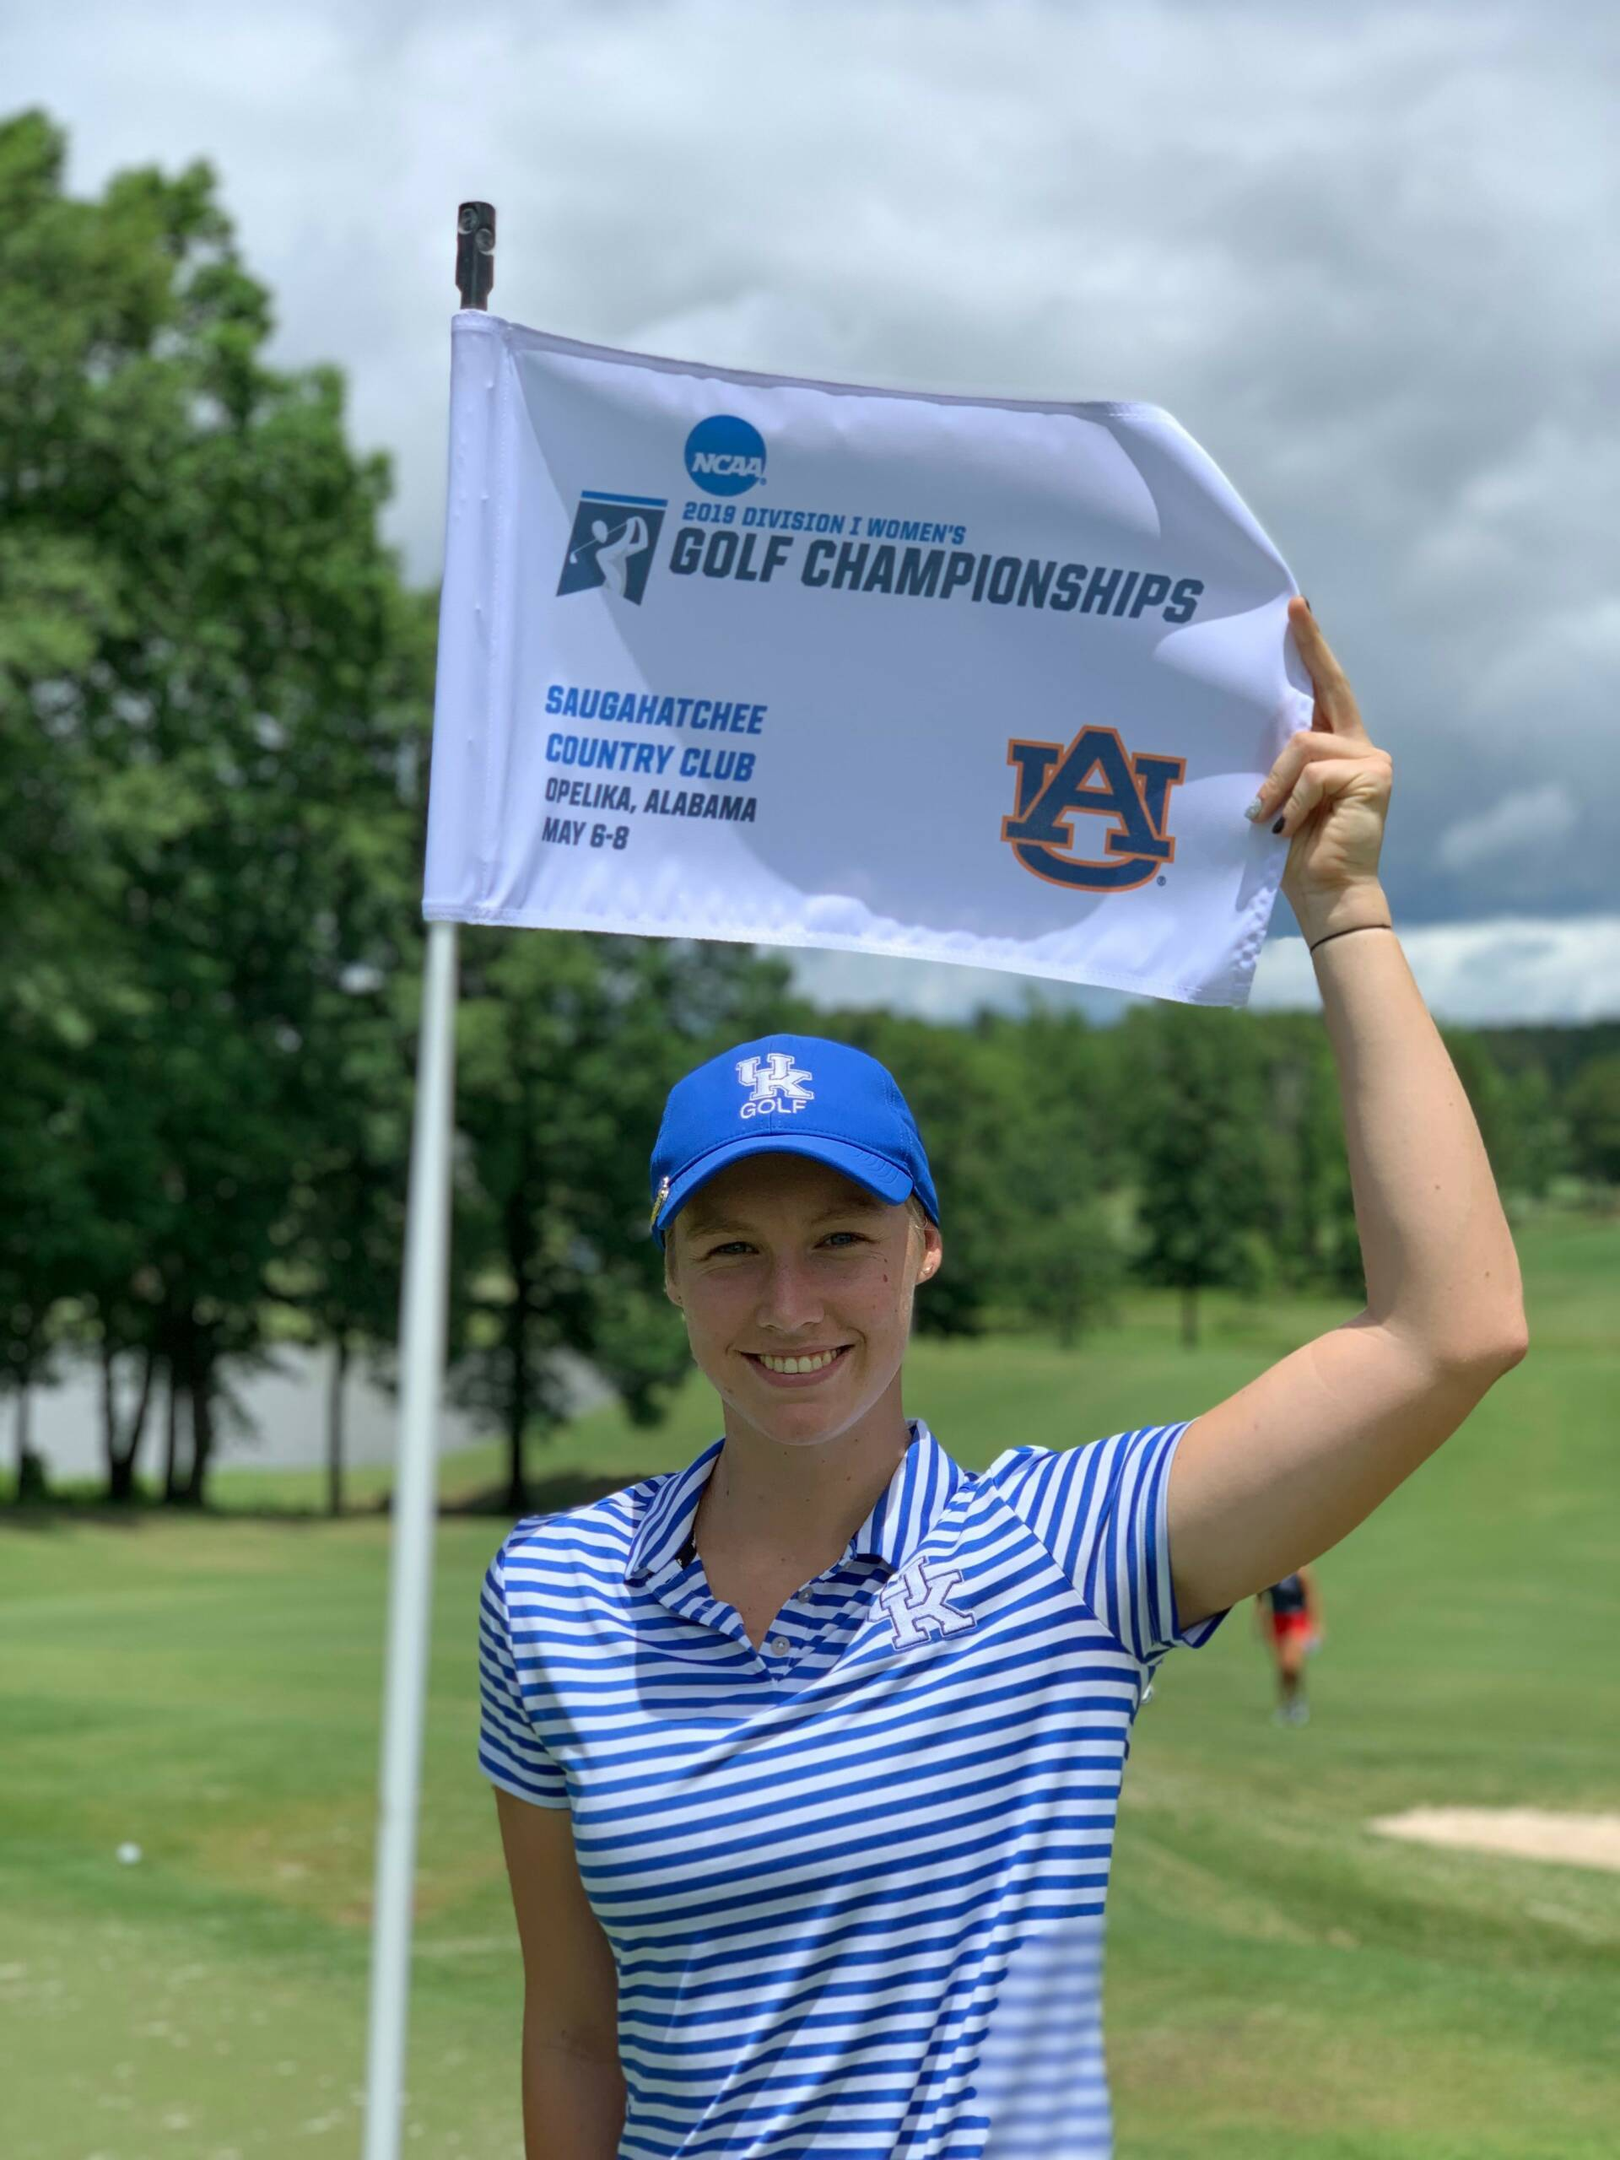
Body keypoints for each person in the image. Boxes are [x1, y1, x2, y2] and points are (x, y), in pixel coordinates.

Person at [477, 598, 1527, 2159]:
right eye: (729, 1251)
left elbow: (1450, 1331)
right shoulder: (551, 1593)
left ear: (924, 1254)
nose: (788, 1304)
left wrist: (1346, 911)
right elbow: (572, 2030)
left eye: (841, 1237)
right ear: (671, 1278)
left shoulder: (1067, 1554)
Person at [1257, 1565, 1322, 1724]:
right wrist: (1262, 1625)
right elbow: (1260, 1600)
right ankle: (1285, 1704)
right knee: (1281, 1667)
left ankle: (1297, 1701)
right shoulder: (1270, 1573)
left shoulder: (1301, 1572)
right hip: (1277, 1620)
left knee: (1290, 1664)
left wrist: (1315, 1627)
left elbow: (1311, 1597)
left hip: (1296, 1620)